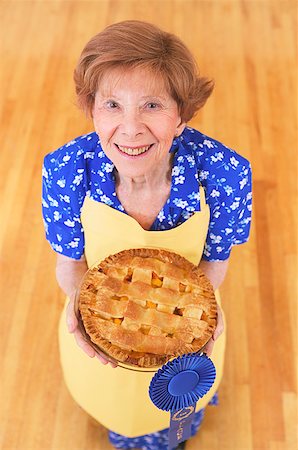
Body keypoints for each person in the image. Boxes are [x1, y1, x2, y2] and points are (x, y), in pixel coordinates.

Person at [42, 20, 252, 450]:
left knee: (180, 411)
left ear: (181, 116)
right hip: (103, 330)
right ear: (92, 109)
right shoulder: (65, 171)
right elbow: (71, 264)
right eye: (112, 105)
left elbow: (214, 261)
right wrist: (84, 311)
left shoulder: (225, 174)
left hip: (187, 325)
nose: (131, 128)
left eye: (152, 105)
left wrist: (193, 327)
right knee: (120, 411)